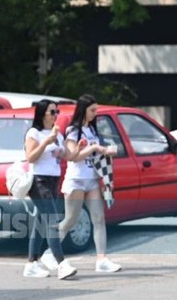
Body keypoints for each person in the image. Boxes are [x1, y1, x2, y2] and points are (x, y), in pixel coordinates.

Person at [56, 94, 121, 273]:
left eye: (96, 110)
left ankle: (102, 259)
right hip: (76, 180)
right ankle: (49, 251)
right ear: (83, 110)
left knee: (99, 218)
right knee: (71, 220)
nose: (95, 113)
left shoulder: (92, 130)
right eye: (92, 110)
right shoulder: (73, 131)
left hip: (92, 179)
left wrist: (106, 152)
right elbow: (73, 156)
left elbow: (96, 156)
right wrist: (93, 148)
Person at [23, 99, 77, 280]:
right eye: (52, 112)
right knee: (52, 221)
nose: (56, 115)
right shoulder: (35, 133)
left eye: (57, 112)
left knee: (40, 223)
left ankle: (31, 263)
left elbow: (67, 155)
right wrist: (46, 142)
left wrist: (65, 151)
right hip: (39, 182)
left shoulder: (57, 134)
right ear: (42, 114)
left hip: (53, 181)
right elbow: (30, 157)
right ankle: (61, 263)